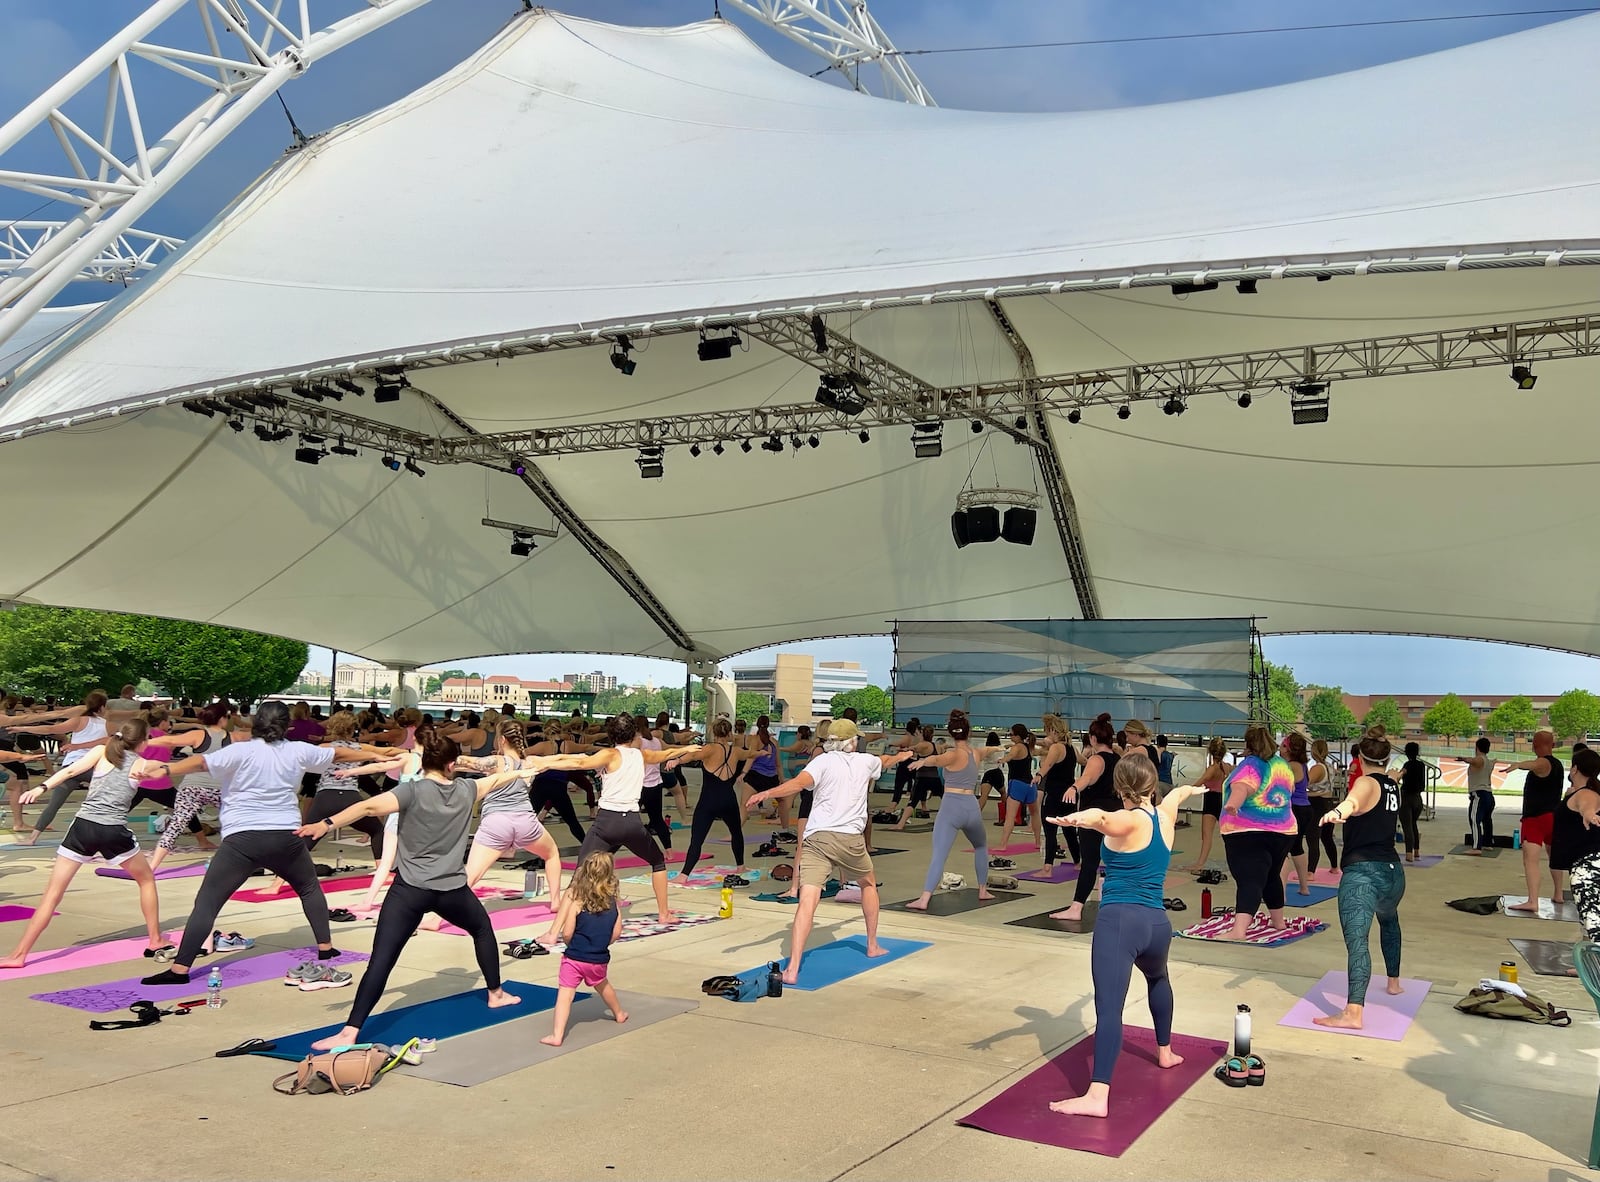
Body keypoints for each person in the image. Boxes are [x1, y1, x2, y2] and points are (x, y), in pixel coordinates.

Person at [137, 701, 399, 988]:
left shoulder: (240, 750)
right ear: (287, 726)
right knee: (309, 888)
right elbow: (339, 753)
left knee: (208, 902)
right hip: (285, 838)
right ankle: (326, 948)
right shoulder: (297, 750)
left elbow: (201, 762)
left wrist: (166, 769)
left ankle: (179, 970)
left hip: (242, 840)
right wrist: (377, 753)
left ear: (255, 723)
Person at [297, 734, 529, 1049]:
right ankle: (496, 994)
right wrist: (525, 771)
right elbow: (498, 779)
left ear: (425, 762)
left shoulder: (411, 791)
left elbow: (367, 806)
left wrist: (325, 824)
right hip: (451, 890)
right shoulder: (467, 789)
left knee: (382, 960)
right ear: (452, 765)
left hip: (409, 891)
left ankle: (350, 1030)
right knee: (482, 929)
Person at [1046, 755, 1200, 1117]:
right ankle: (1165, 1052)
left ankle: (1097, 1097)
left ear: (1120, 788)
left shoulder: (1128, 820)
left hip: (1120, 924)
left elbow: (1102, 818)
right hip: (1157, 925)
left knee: (1110, 1007)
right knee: (1159, 979)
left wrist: (1078, 818)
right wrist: (1193, 790)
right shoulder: (1165, 817)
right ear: (1151, 785)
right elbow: (1176, 795)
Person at [745, 720, 913, 984]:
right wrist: (903, 756)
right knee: (868, 884)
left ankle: (792, 968)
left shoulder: (821, 762)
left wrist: (766, 793)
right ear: (852, 742)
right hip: (850, 840)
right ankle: (872, 945)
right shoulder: (865, 761)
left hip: (817, 839)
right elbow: (886, 760)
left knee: (807, 901)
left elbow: (797, 784)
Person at [1, 720, 172, 967]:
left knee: (51, 895)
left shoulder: (101, 751)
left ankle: (18, 955)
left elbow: (69, 771)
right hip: (113, 831)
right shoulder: (144, 764)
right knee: (146, 880)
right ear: (143, 741)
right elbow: (175, 769)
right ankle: (155, 939)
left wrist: (41, 788)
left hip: (83, 827)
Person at [536, 713, 697, 923]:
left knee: (581, 873)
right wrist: (688, 748)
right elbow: (666, 753)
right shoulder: (641, 755)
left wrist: (544, 763)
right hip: (631, 823)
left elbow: (578, 762)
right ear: (633, 735)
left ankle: (555, 930)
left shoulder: (610, 754)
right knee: (658, 862)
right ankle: (664, 913)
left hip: (606, 824)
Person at [1315, 725, 1406, 1029]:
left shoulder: (1365, 782)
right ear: (1386, 758)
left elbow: (1353, 801)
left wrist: (1338, 812)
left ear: (1360, 759)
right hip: (1392, 875)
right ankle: (1393, 982)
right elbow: (1388, 780)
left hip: (1363, 875)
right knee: (1389, 921)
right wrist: (1395, 775)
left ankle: (1353, 1012)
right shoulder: (1392, 785)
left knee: (1358, 942)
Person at [903, 710, 1005, 911]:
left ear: (951, 733)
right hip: (971, 807)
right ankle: (983, 890)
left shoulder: (952, 754)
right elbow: (989, 750)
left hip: (951, 807)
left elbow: (935, 760)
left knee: (939, 855)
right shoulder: (976, 753)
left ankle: (924, 899)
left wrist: (922, 761)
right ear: (969, 733)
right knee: (981, 847)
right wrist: (1000, 747)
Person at [541, 851, 629, 1046]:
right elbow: (616, 933)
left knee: (565, 995)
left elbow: (567, 932)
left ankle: (557, 1035)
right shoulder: (613, 903)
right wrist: (602, 944)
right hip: (598, 958)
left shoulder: (577, 902)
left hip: (574, 958)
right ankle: (619, 1013)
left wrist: (570, 944)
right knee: (603, 985)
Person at [1217, 725, 1296, 940]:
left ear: (1248, 744)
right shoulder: (1282, 765)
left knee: (1249, 878)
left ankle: (1239, 930)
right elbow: (1289, 790)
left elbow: (1242, 787)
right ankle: (1278, 921)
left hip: (1248, 830)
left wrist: (1233, 804)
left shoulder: (1251, 765)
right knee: (1271, 876)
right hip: (1283, 830)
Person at [8, 691, 113, 844]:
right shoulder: (107, 724)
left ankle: (32, 838)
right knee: (106, 803)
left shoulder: (79, 720)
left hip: (71, 767)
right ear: (102, 707)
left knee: (54, 804)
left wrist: (22, 728)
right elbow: (108, 741)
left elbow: (50, 729)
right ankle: (104, 838)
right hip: (94, 767)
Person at [143, 704, 232, 871]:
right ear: (222, 719)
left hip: (192, 787)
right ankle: (234, 860)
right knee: (236, 824)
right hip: (220, 789)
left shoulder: (199, 734)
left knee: (176, 825)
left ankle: (152, 866)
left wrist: (141, 742)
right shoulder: (234, 737)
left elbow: (170, 740)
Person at [1053, 714, 1121, 923]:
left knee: (1090, 863)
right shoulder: (1118, 759)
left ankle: (1076, 908)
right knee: (1117, 863)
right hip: (1115, 815)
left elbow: (1087, 777)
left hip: (1094, 818)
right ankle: (1120, 905)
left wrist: (1074, 787)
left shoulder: (1096, 759)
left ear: (1093, 738)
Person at [668, 719, 748, 879]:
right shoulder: (736, 751)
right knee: (736, 833)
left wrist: (677, 760)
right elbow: (751, 754)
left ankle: (684, 875)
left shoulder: (710, 748)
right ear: (729, 733)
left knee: (697, 839)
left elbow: (692, 755)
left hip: (708, 801)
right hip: (729, 799)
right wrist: (762, 753)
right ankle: (741, 867)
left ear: (714, 733)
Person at [1503, 728, 1565, 913]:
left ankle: (1532, 901)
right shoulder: (1559, 764)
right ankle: (1559, 894)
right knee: (1554, 858)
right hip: (1553, 817)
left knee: (1530, 861)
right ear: (1552, 745)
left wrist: (1518, 764)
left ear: (1535, 745)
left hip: (1536, 819)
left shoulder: (1544, 763)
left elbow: (1536, 765)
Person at [1555, 748, 1600, 940]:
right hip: (1586, 863)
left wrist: (1589, 814)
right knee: (1588, 922)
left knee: (1593, 924)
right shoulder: (1580, 792)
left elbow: (1587, 805)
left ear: (1574, 769)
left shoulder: (1586, 794)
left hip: (1588, 867)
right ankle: (1588, 954)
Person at [1180, 737, 1230, 874]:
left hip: (1211, 800)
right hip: (1221, 799)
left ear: (1210, 751)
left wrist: (1183, 791)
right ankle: (1235, 860)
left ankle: (1200, 863)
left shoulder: (1213, 769)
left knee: (1207, 835)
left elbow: (1200, 782)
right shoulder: (1226, 767)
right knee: (1227, 835)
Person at [1033, 715, 1078, 866]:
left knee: (1050, 831)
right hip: (1069, 795)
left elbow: (1048, 764)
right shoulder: (1072, 748)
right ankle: (1078, 862)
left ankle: (1047, 867)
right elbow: (1083, 761)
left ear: (1053, 731)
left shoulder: (1056, 747)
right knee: (1070, 832)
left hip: (1054, 794)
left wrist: (1039, 775)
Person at [997, 724, 1042, 851]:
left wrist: (1003, 759)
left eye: (1011, 734)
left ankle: (1003, 845)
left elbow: (1012, 755)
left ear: (1017, 736)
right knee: (1035, 814)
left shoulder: (1016, 748)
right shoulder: (1028, 747)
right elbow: (1040, 752)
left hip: (1017, 784)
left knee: (1010, 816)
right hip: (1030, 785)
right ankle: (1038, 842)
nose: (1010, 736)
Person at [738, 715, 787, 829]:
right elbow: (778, 764)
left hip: (755, 776)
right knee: (783, 802)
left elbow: (751, 758)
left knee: (744, 805)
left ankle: (735, 833)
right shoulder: (774, 742)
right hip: (772, 778)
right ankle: (786, 828)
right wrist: (782, 779)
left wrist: (743, 773)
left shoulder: (755, 740)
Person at [1281, 733, 1315, 895]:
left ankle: (1281, 892)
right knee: (1296, 848)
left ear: (1289, 749)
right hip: (1305, 808)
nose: (1279, 748)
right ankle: (1304, 887)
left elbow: (1283, 785)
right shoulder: (1302, 765)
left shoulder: (1292, 766)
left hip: (1295, 809)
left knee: (1283, 849)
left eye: (1283, 746)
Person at [1305, 739, 1339, 873]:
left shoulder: (1317, 768)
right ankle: (1334, 866)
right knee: (1327, 837)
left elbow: (1305, 783)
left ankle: (1310, 871)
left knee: (1312, 836)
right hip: (1329, 803)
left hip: (1317, 804)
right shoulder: (1330, 766)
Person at [1462, 736, 1497, 855]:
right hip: (1489, 795)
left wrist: (1465, 759)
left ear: (1477, 748)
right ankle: (1488, 843)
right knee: (1487, 820)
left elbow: (1475, 761)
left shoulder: (1480, 759)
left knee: (1474, 819)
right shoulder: (1488, 762)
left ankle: (1476, 847)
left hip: (1479, 794)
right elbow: (1488, 763)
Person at [1395, 742, 1427, 862]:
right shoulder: (1421, 765)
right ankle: (1416, 851)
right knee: (1413, 824)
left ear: (1406, 752)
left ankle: (1409, 853)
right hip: (1418, 799)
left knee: (1407, 827)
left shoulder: (1407, 765)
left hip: (1407, 798)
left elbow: (1400, 775)